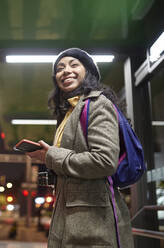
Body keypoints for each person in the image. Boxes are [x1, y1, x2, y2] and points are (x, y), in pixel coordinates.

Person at [26, 48, 134, 247]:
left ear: (88, 72)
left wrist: (52, 155)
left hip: (94, 225)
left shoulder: (98, 104)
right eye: (60, 68)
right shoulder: (69, 113)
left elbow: (104, 161)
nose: (66, 71)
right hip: (68, 220)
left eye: (74, 65)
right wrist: (46, 157)